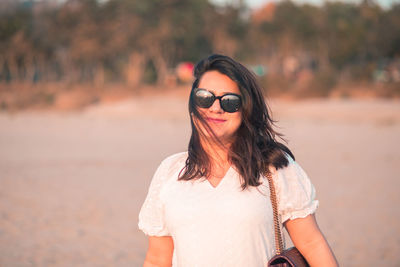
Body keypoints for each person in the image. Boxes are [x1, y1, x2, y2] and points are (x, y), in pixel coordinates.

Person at [138, 54, 338, 267]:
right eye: (205, 97)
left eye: (230, 101)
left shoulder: (274, 167)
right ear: (192, 104)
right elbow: (158, 258)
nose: (216, 108)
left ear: (246, 110)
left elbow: (311, 243)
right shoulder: (170, 172)